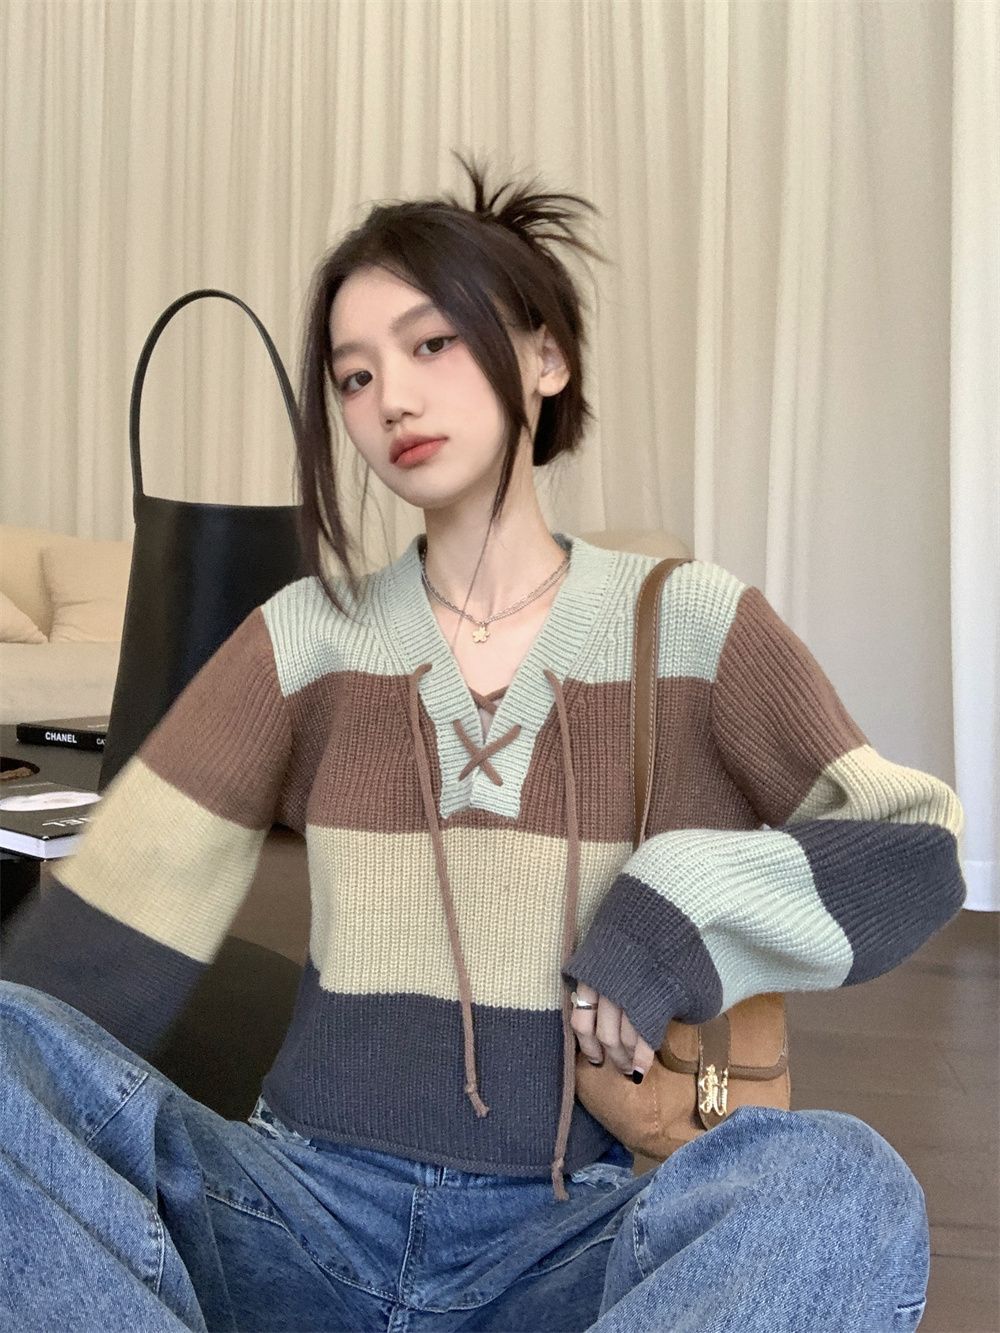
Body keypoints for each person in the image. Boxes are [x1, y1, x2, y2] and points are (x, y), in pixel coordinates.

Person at [1, 150, 965, 1332]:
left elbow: (913, 845)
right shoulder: (305, 637)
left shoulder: (694, 624)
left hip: (564, 1238)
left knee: (842, 1183)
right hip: (295, 1212)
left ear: (545, 358)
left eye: (431, 345)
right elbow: (105, 936)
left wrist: (670, 914)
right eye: (354, 377)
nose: (390, 400)